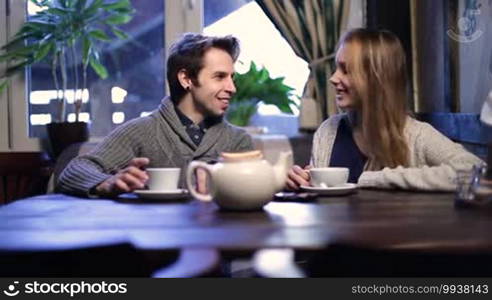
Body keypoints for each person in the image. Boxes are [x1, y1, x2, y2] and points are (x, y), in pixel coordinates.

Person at [57, 33, 254, 197]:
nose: (232, 88)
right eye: (220, 77)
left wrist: (280, 181)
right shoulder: (140, 132)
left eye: (231, 77)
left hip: (221, 238)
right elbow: (74, 171)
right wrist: (107, 182)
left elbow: (254, 191)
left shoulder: (238, 141)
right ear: (186, 79)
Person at [287, 28, 482, 191]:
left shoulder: (416, 135)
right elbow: (321, 199)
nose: (333, 78)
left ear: (375, 79)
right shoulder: (328, 131)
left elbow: (474, 170)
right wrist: (303, 183)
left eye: (345, 70)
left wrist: (377, 179)